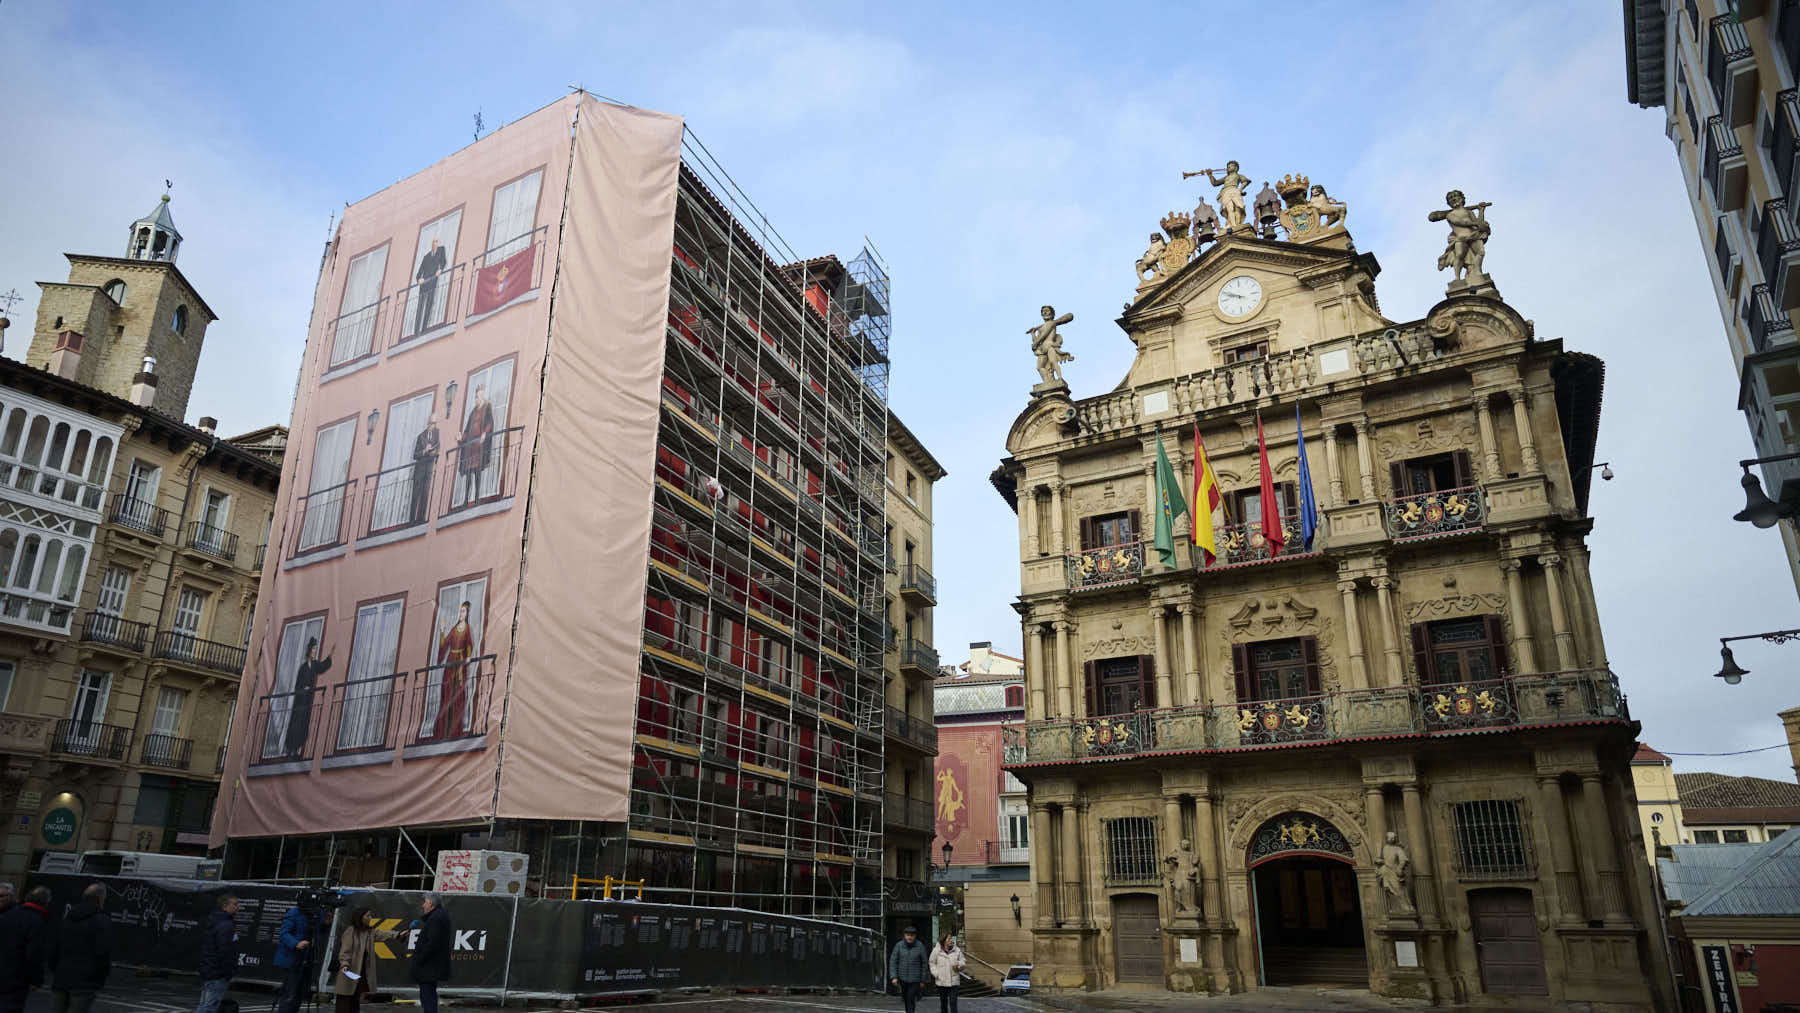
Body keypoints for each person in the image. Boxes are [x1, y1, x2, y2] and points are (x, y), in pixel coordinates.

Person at [47, 882, 110, 1013]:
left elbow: (54, 947)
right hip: (85, 982)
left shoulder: (68, 917)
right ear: (100, 898)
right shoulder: (101, 920)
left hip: (62, 977)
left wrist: (57, 969)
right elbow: (102, 952)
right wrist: (99, 980)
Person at [333, 905, 401, 1013]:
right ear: (360, 917)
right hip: (350, 970)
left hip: (360, 971)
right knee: (344, 999)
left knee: (355, 998)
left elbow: (383, 933)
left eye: (370, 915)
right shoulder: (351, 931)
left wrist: (398, 934)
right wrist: (345, 964)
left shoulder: (369, 932)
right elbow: (345, 951)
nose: (370, 918)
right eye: (368, 915)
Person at [0, 885, 49, 1013]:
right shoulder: (37, 922)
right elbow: (34, 954)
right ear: (45, 903)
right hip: (16, 979)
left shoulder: (8, 915)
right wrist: (36, 980)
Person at [433, 601, 476, 739]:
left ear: (467, 613)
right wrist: (442, 631)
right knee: (447, 695)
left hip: (460, 665)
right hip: (450, 663)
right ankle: (443, 731)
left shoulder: (467, 629)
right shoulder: (454, 629)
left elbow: (469, 644)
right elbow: (444, 645)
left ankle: (455, 731)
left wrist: (468, 656)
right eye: (460, 611)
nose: (461, 614)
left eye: (463, 611)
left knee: (457, 696)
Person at [283, 638, 333, 757]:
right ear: (309, 650)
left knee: (303, 725)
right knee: (296, 725)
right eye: (313, 649)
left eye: (316, 649)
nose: (315, 651)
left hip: (307, 702)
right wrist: (303, 690)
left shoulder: (314, 665)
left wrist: (330, 656)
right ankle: (290, 749)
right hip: (300, 702)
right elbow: (298, 685)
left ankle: (297, 749)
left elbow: (323, 666)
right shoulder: (303, 668)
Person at [272, 892, 320, 1013]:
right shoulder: (294, 913)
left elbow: (318, 930)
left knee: (300, 992)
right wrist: (296, 943)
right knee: (289, 993)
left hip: (307, 957)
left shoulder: (316, 914)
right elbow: (284, 934)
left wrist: (325, 923)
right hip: (292, 958)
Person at [195, 893, 238, 1013]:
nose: (237, 907)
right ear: (225, 906)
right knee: (209, 1007)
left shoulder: (214, 921)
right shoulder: (226, 925)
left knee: (204, 1005)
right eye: (234, 904)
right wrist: (228, 972)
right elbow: (225, 951)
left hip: (209, 970)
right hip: (217, 973)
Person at [409, 894, 452, 1013]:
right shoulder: (438, 916)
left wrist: (420, 958)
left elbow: (433, 943)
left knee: (428, 997)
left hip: (429, 966)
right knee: (428, 995)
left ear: (432, 904)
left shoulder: (436, 918)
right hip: (431, 966)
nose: (423, 905)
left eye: (425, 902)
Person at [454, 386, 494, 506]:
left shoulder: (487, 407)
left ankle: (476, 498)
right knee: (468, 472)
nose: (478, 399)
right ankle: (466, 499)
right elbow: (467, 430)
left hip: (479, 445)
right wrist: (461, 438)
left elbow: (489, 422)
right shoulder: (473, 412)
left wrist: (485, 433)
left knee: (477, 472)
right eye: (477, 396)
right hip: (470, 446)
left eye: (480, 396)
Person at [887, 925, 928, 1013]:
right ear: (904, 935)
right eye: (908, 935)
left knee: (910, 997)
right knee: (906, 998)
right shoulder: (899, 946)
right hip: (903, 978)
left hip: (915, 979)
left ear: (915, 936)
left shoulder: (920, 946)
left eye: (912, 935)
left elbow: (924, 963)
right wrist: (894, 977)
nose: (910, 937)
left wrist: (923, 979)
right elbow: (893, 961)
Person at [412, 237, 448, 336]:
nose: (436, 243)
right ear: (431, 244)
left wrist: (440, 269)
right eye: (434, 242)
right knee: (420, 307)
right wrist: (419, 279)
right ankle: (416, 332)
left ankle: (424, 330)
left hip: (432, 282)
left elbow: (443, 261)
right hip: (424, 284)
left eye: (437, 242)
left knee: (429, 305)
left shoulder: (441, 250)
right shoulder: (426, 257)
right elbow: (419, 273)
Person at [409, 418, 440, 526]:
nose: (432, 425)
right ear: (427, 424)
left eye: (434, 423)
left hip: (429, 469)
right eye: (431, 423)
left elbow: (438, 449)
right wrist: (424, 451)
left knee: (425, 494)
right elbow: (415, 455)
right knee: (416, 495)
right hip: (419, 470)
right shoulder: (421, 436)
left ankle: (421, 518)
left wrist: (434, 452)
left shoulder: (436, 435)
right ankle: (411, 520)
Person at [927, 934, 965, 1013]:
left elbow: (963, 962)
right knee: (943, 1003)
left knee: (953, 1004)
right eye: (949, 939)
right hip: (942, 981)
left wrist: (958, 965)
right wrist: (936, 974)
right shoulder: (936, 951)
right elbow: (932, 963)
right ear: (943, 940)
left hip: (954, 982)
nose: (951, 940)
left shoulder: (957, 950)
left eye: (951, 938)